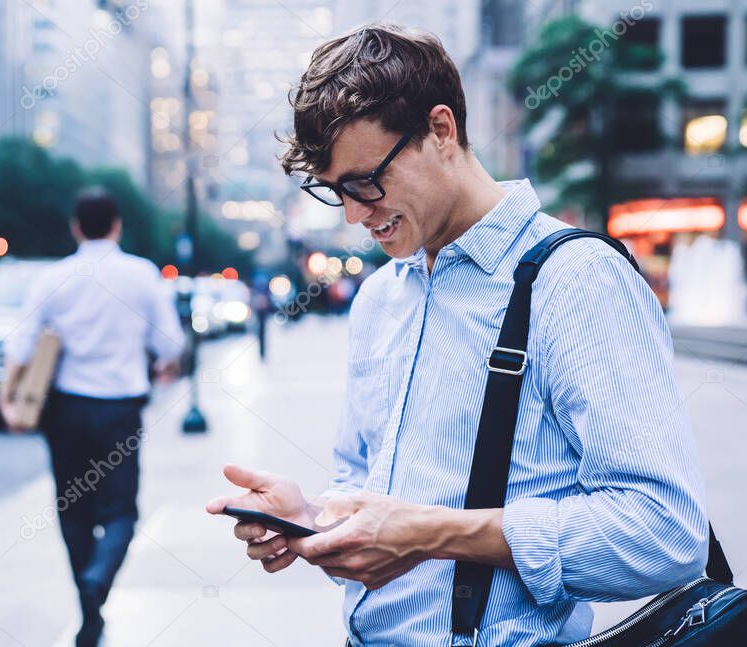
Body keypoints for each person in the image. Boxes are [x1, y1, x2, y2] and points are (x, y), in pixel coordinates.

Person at [206, 23, 709, 646]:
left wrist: (429, 532)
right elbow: (368, 490)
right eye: (336, 191)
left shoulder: (578, 280)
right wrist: (314, 520)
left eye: (366, 181)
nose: (355, 215)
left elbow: (665, 535)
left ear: (441, 130)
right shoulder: (380, 297)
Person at [1, 187, 185, 647]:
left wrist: (9, 401)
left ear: (76, 227)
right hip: (120, 410)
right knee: (121, 509)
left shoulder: (52, 278)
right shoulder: (141, 275)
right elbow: (171, 345)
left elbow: (19, 346)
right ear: (117, 226)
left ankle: (89, 601)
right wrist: (162, 363)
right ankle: (99, 578)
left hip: (65, 411)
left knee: (72, 508)